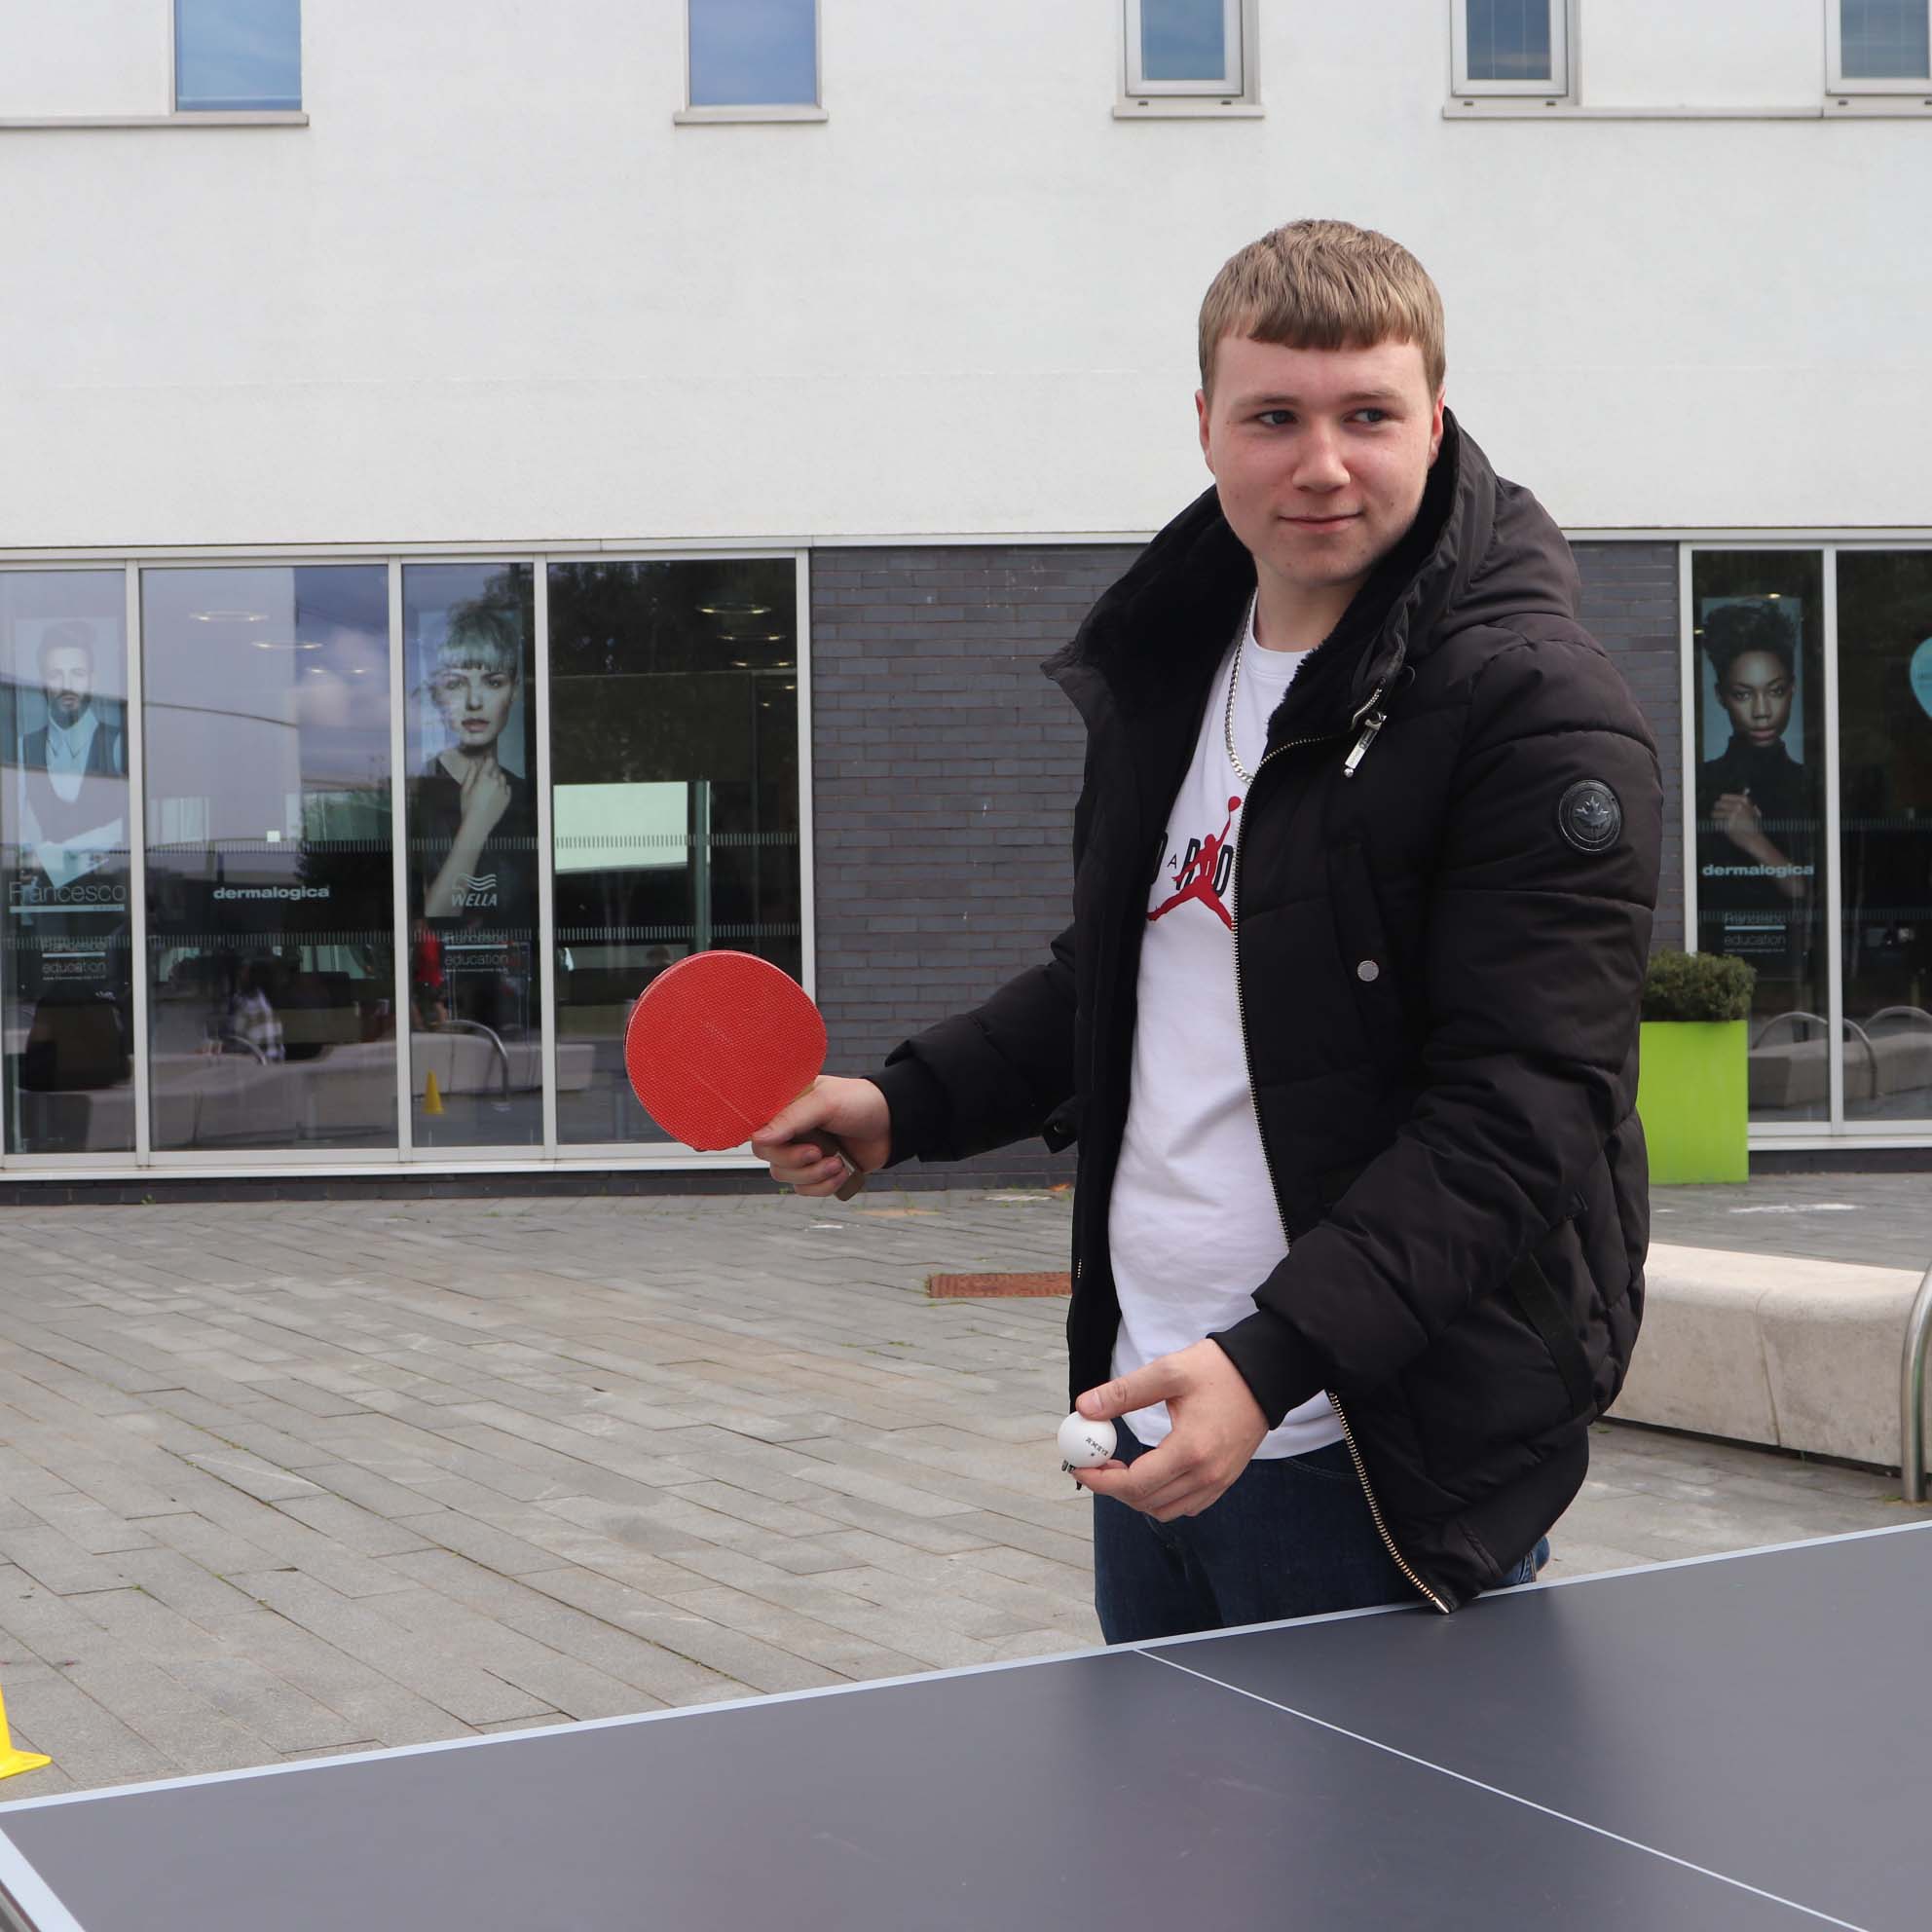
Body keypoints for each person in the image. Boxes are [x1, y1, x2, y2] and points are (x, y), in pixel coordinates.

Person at [753, 220, 1662, 1633]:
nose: (1323, 463)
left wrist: (1269, 1361)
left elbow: (1525, 1109)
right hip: (1151, 1404)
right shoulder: (1179, 663)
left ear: (1435, 420)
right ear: (1204, 426)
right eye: (1274, 417)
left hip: (1366, 1446)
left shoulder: (1534, 707)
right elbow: (1124, 970)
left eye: (1369, 415)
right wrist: (901, 1103)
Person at [1696, 600, 1811, 910]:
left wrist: (1754, 841)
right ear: (1721, 696)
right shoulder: (1700, 786)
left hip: (1794, 938)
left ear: (1792, 689)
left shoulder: (1813, 787)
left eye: (1775, 691)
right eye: (1743, 694)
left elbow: (1811, 894)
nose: (1762, 712)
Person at [16, 621, 126, 892]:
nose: (67, 686)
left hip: (114, 897)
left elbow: (129, 831)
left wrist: (54, 861)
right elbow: (18, 839)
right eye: (55, 674)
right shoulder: (22, 749)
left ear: (93, 681)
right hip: (45, 902)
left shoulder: (120, 744)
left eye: (77, 673)